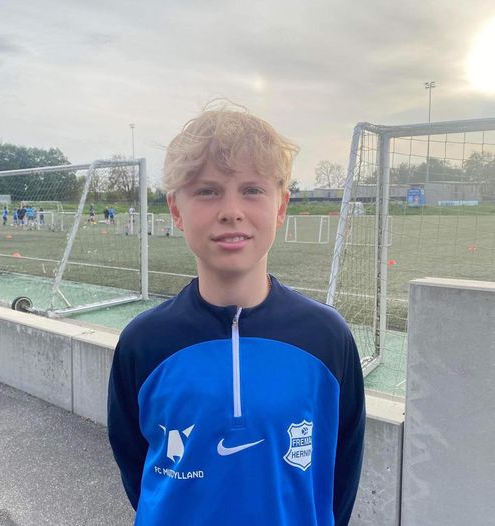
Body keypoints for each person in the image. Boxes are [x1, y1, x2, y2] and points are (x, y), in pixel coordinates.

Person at [107, 104, 365, 526]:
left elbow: (341, 474)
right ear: (176, 209)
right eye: (208, 191)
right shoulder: (144, 341)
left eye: (252, 190)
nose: (231, 210)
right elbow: (137, 468)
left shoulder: (325, 337)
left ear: (281, 206)